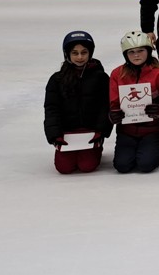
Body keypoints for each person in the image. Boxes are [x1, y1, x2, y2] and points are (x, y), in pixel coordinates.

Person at [43, 30, 111, 174]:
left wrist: (101, 131)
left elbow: (106, 106)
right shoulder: (57, 79)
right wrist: (55, 135)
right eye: (75, 53)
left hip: (91, 132)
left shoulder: (101, 77)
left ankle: (96, 149)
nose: (80, 57)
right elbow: (51, 108)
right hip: (67, 133)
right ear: (67, 54)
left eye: (84, 52)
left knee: (87, 166)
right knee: (64, 168)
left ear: (90, 53)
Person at [108, 31, 159, 173]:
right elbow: (114, 103)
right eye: (131, 52)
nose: (136, 55)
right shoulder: (117, 74)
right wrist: (114, 115)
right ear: (125, 54)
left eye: (140, 51)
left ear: (148, 51)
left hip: (153, 130)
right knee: (122, 166)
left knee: (145, 165)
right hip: (127, 130)